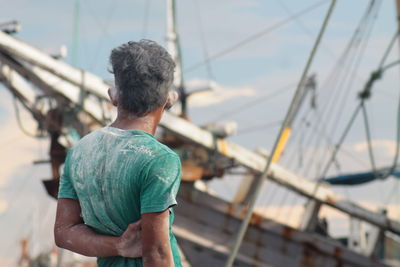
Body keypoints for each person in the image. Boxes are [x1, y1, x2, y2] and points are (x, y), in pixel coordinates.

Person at [54, 40, 182, 267]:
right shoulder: (160, 160)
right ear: (167, 101)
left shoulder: (79, 153)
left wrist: (118, 245)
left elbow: (64, 232)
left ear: (113, 96)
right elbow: (157, 254)